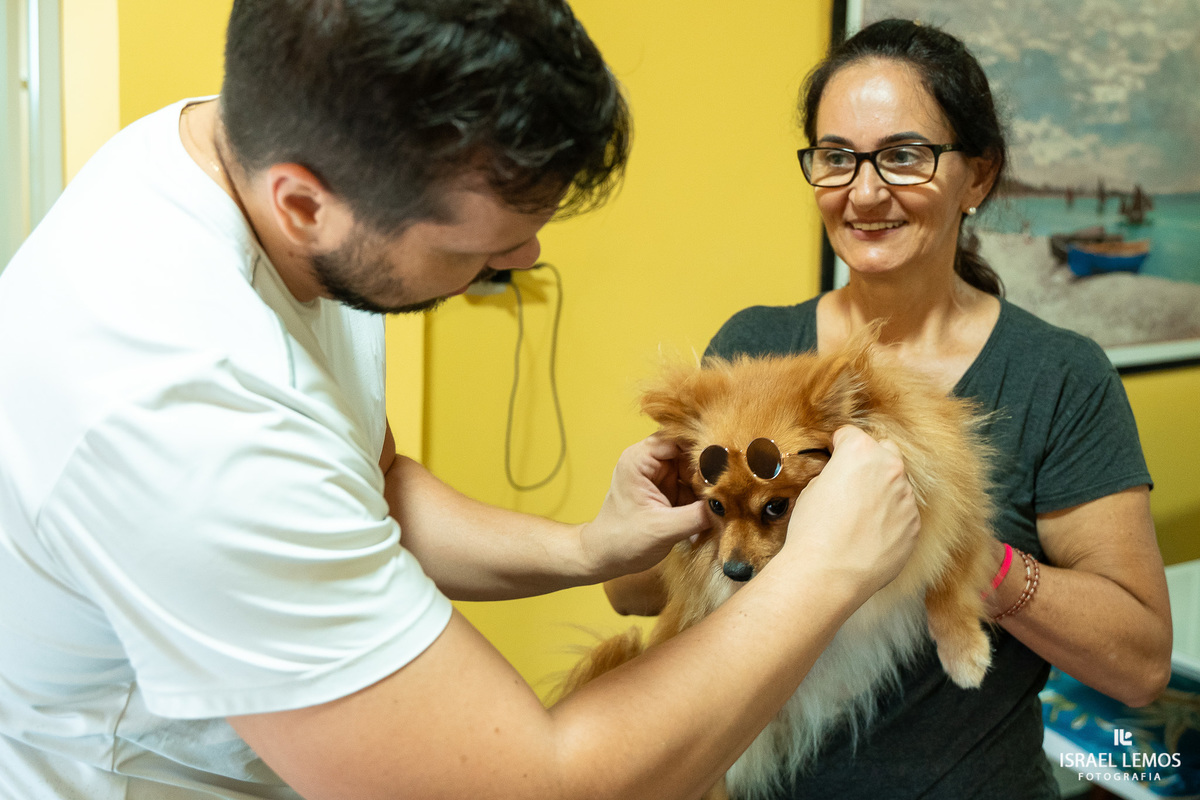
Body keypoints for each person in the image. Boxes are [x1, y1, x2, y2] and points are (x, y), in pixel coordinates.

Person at [0, 2, 924, 798]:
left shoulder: (229, 150)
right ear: (305, 205)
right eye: (479, 247)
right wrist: (823, 575)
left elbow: (374, 478)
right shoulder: (186, 410)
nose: (521, 263)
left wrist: (586, 548)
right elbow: (537, 784)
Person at [608, 18, 1173, 800]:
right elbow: (636, 594)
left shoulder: (1058, 375)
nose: (865, 191)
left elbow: (1140, 664)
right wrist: (647, 527)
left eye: (903, 155)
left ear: (977, 177)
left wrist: (961, 553)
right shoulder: (754, 349)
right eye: (836, 158)